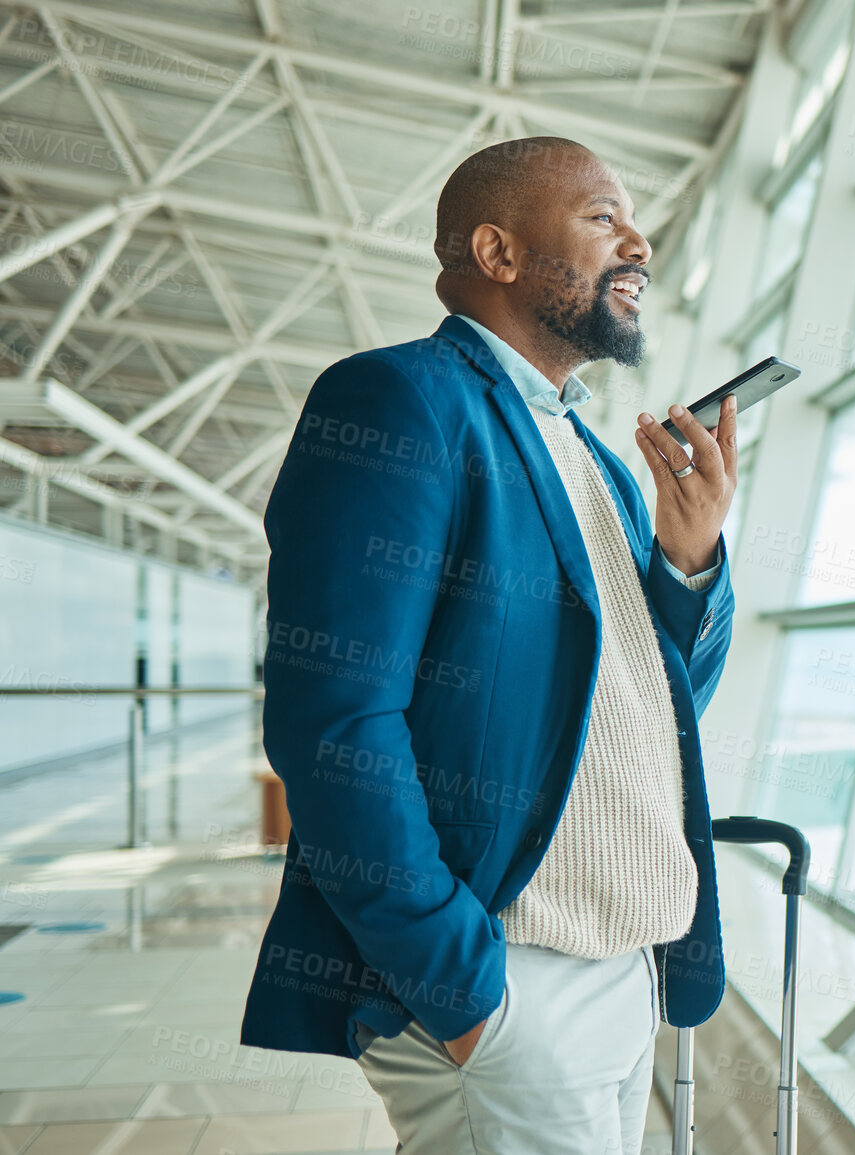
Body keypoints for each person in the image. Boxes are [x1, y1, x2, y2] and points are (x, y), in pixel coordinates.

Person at [238, 136, 738, 1154]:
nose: (637, 242)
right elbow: (334, 722)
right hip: (507, 980)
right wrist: (462, 991)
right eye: (603, 218)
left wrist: (689, 562)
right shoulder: (397, 401)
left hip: (618, 964)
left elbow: (660, 699)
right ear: (498, 252)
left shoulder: (593, 455)